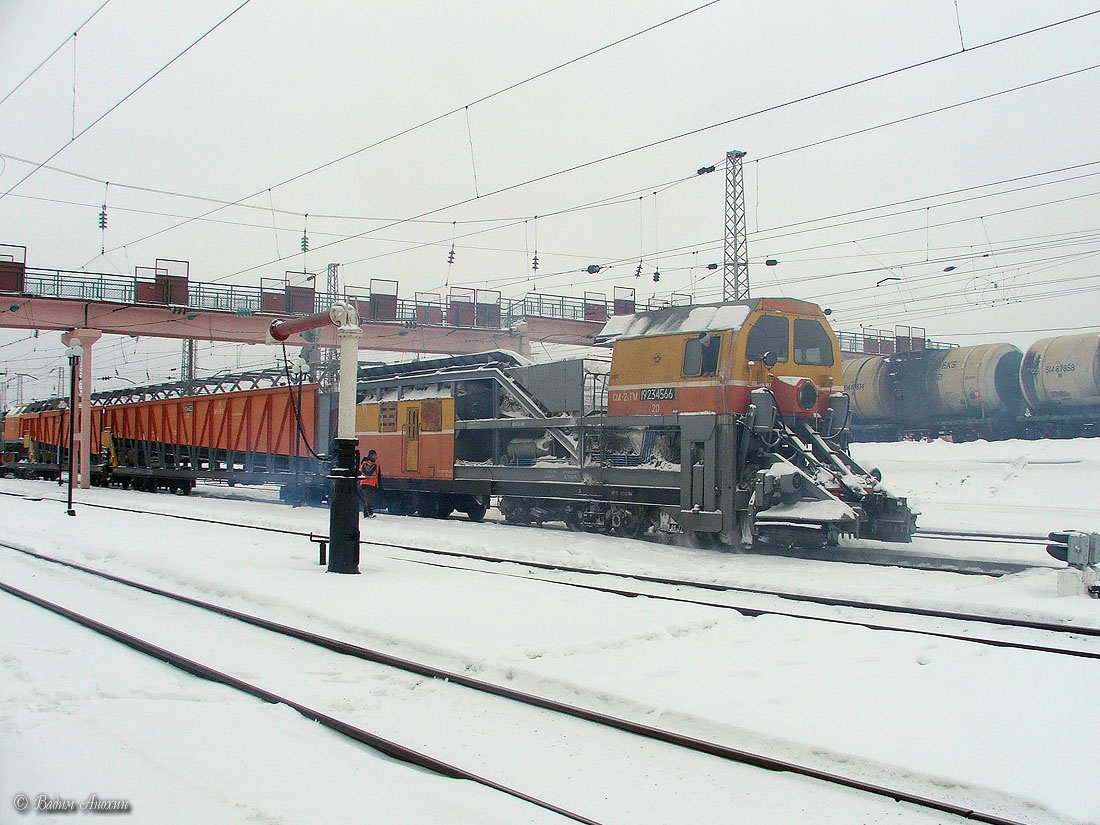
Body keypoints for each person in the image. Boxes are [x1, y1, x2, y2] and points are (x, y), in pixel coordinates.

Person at [358, 449, 381, 517]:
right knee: (367, 500)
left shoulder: (376, 464)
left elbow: (378, 476)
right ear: (370, 456)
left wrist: (379, 485)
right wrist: (374, 465)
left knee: (370, 500)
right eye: (373, 455)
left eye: (375, 455)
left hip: (373, 484)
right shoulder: (365, 463)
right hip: (365, 484)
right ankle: (368, 513)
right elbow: (368, 472)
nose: (375, 457)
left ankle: (368, 513)